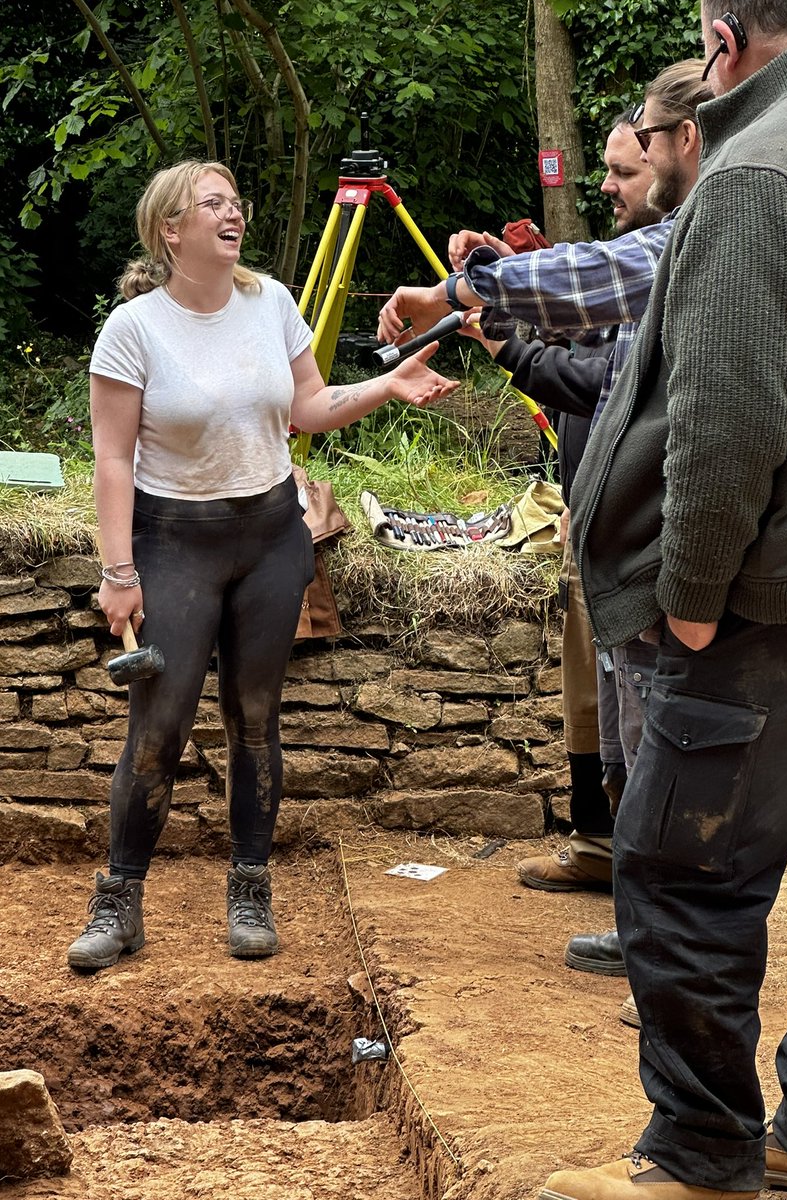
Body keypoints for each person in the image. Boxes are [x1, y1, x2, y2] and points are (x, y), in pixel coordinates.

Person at [550, 4, 787, 1198]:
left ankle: (704, 1159)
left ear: (723, 32)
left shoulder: (761, 169)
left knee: (681, 870)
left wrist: (692, 603)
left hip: (779, 597)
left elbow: (727, 422)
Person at [67, 159, 457, 974]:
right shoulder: (134, 328)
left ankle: (250, 888)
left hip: (273, 535)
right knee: (160, 726)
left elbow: (308, 408)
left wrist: (387, 385)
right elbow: (109, 460)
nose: (231, 213)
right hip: (174, 540)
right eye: (212, 204)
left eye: (235, 202)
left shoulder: (270, 302)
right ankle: (120, 900)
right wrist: (118, 570)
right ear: (171, 229)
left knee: (255, 718)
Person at [379, 61, 711, 1000]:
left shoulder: (698, 244)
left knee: (659, 752)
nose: (615, 180)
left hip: (658, 545)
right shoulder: (674, 241)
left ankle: (670, 964)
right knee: (622, 737)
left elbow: (595, 378)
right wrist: (499, 297)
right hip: (616, 534)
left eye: (633, 156)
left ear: (682, 144)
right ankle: (645, 925)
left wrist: (476, 301)